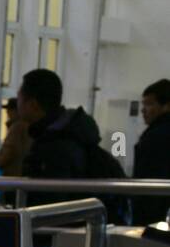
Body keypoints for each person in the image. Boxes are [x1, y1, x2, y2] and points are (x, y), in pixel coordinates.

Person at [18, 68, 126, 216]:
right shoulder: (70, 134)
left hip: (61, 232)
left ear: (33, 104)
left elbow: (50, 204)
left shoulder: (54, 145)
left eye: (19, 97)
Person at [133, 79, 170, 225]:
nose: (143, 110)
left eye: (149, 104)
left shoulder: (157, 135)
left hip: (153, 211)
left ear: (166, 106)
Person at [0, 97, 32, 177]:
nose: (7, 112)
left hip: (12, 175)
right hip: (23, 175)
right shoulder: (28, 125)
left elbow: (9, 151)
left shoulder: (17, 127)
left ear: (16, 111)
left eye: (9, 109)